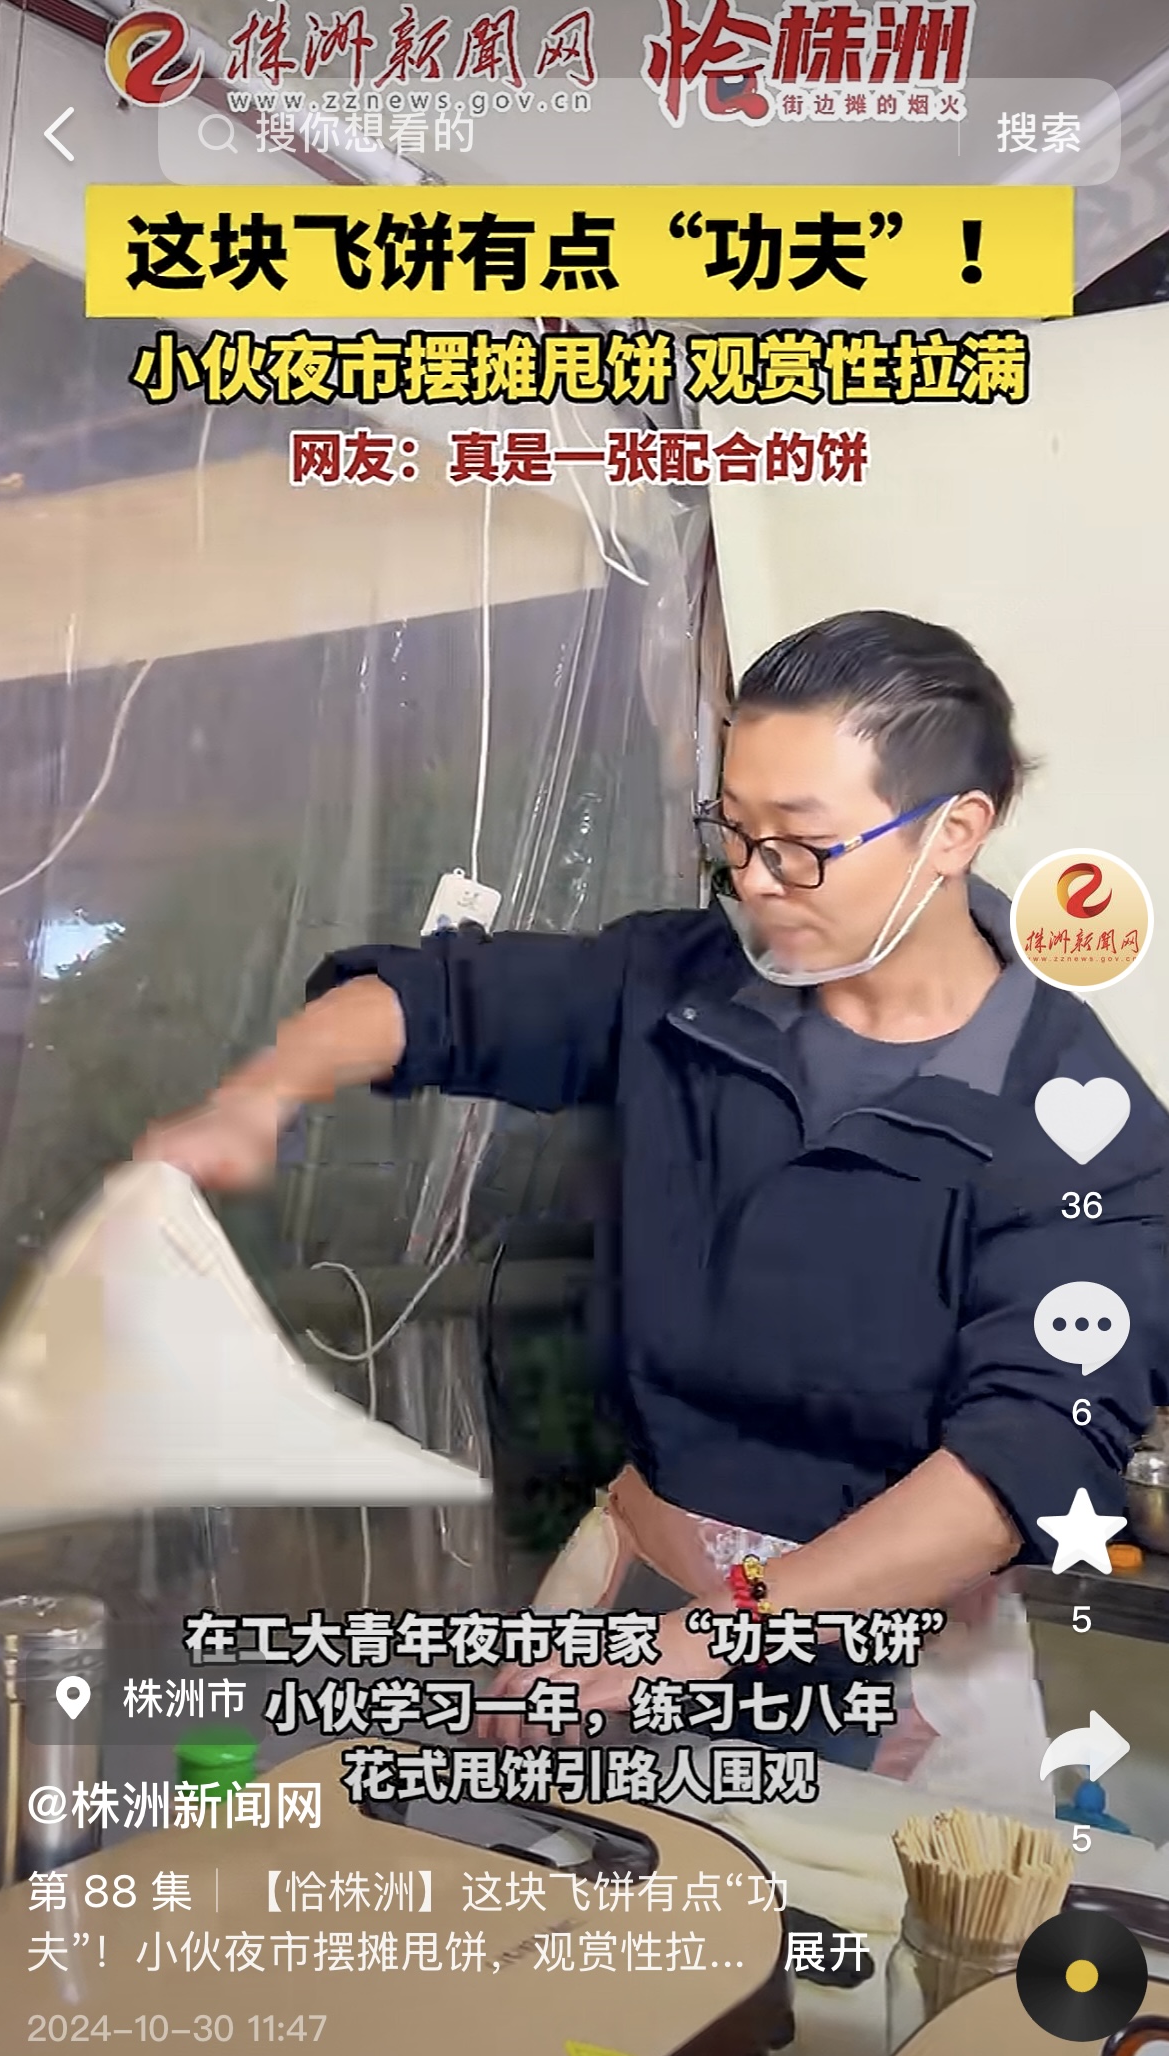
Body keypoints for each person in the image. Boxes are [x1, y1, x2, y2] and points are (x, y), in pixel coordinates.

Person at [137, 610, 1169, 1795]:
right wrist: (260, 1094)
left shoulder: (1077, 1116)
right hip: (638, 1587)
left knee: (859, 1913)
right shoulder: (681, 987)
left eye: (802, 845)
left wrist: (702, 1639)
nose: (756, 879)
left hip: (891, 1655)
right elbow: (445, 1002)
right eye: (734, 832)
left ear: (954, 830)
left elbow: (1017, 1459)